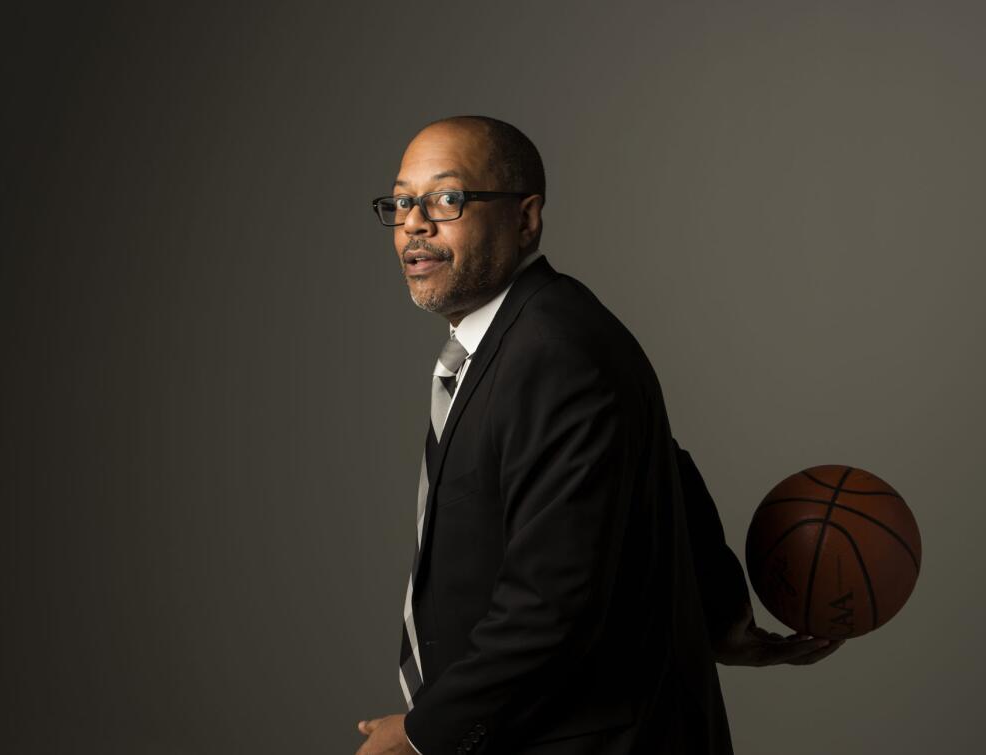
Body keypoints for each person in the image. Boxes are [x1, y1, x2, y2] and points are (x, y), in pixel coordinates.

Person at [355, 116, 842, 755]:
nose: (416, 223)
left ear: (526, 219)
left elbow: (552, 602)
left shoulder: (553, 349)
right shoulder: (523, 338)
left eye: (448, 199)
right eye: (402, 202)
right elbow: (657, 467)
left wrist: (425, 735)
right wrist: (720, 611)